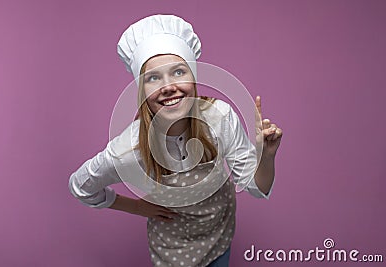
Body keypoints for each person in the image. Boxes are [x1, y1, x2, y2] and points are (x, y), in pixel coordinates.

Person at [68, 14, 283, 267]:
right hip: (173, 252)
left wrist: (266, 156)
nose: (168, 86)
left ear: (193, 78)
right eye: (153, 78)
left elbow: (257, 188)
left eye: (178, 72)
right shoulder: (129, 149)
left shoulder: (220, 118)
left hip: (220, 237)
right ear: (142, 90)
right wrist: (134, 207)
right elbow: (81, 186)